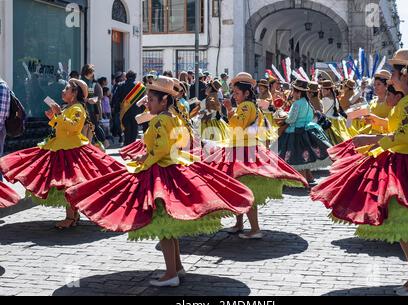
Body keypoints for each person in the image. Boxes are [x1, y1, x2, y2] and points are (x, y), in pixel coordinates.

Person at [65, 76, 255, 288]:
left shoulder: (159, 120)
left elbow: (161, 147)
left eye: (151, 99)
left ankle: (171, 273)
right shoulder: (171, 117)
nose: (148, 102)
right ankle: (177, 267)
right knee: (169, 225)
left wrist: (145, 158)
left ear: (164, 101)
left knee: (164, 225)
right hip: (172, 165)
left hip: (161, 171)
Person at [311, 49, 408, 296]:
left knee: (403, 223)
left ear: (404, 74)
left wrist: (373, 139)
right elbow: (401, 128)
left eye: (394, 72)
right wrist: (380, 123)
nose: (390, 77)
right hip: (406, 159)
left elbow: (404, 135)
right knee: (401, 223)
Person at [0, 79, 122, 229]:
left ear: (75, 93)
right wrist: (54, 117)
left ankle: (70, 217)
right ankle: (73, 215)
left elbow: (73, 126)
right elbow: (61, 126)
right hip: (60, 147)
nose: (63, 91)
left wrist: (59, 114)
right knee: (66, 184)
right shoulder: (68, 107)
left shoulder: (78, 108)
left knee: (69, 184)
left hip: (72, 150)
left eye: (67, 89)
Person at [205, 72, 308, 239]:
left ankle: (255, 229)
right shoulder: (250, 106)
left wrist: (229, 109)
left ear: (246, 93)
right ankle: (239, 224)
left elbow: (238, 123)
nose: (234, 96)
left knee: (245, 189)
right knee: (237, 187)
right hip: (242, 148)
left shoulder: (246, 106)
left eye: (237, 93)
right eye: (234, 93)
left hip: (243, 151)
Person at [276, 79, 332, 184]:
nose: (292, 93)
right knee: (305, 156)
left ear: (298, 92)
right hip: (306, 131)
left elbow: (291, 119)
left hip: (295, 132)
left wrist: (284, 117)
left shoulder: (297, 104)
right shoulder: (307, 103)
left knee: (297, 157)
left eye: (293, 91)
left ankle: (300, 180)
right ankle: (309, 177)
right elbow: (310, 116)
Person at [112, 70, 146, 146]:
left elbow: (116, 99)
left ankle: (127, 145)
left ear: (126, 77)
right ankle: (132, 146)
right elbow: (143, 100)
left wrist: (116, 110)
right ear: (135, 77)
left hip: (124, 111)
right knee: (134, 130)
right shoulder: (140, 86)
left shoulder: (120, 85)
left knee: (126, 129)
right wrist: (142, 111)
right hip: (136, 111)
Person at [321, 80, 352, 145]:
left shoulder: (325, 99)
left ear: (328, 90)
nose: (321, 91)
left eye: (323, 90)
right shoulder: (335, 98)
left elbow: (323, 112)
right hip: (337, 121)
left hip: (329, 121)